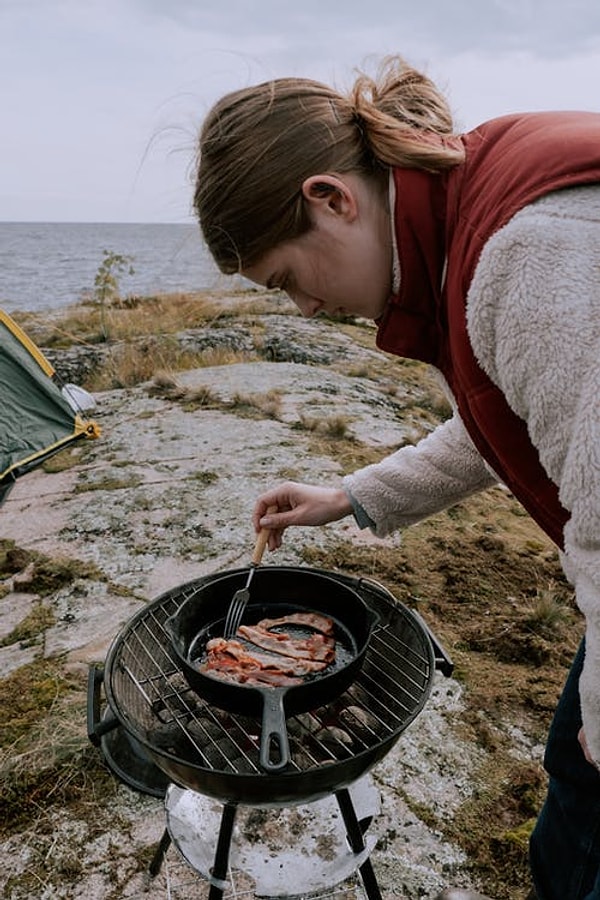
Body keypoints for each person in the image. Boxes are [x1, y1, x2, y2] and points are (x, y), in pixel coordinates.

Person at [193, 55, 600, 900]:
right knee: (575, 783)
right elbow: (507, 410)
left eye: (287, 281)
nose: (304, 309)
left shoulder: (535, 255)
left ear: (330, 198)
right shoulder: (467, 217)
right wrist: (350, 496)